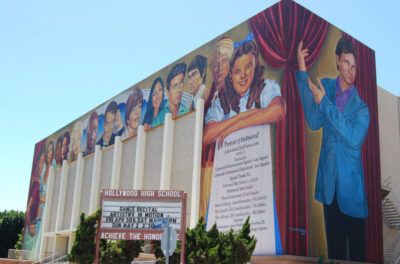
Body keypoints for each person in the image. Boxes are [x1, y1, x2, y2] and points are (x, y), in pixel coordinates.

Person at [295, 37, 369, 261]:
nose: (350, 70)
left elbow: (353, 138)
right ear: (337, 61)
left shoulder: (362, 109)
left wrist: (324, 103)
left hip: (353, 195)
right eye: (346, 63)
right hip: (330, 189)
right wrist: (301, 67)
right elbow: (314, 121)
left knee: (357, 257)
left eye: (354, 66)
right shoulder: (326, 86)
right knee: (335, 255)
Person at [203, 38, 285, 146]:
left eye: (248, 67)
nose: (243, 76)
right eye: (237, 71)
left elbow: (278, 110)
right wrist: (240, 117)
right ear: (231, 76)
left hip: (259, 161)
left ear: (254, 66)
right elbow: (207, 136)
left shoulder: (265, 87)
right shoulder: (222, 102)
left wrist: (239, 124)